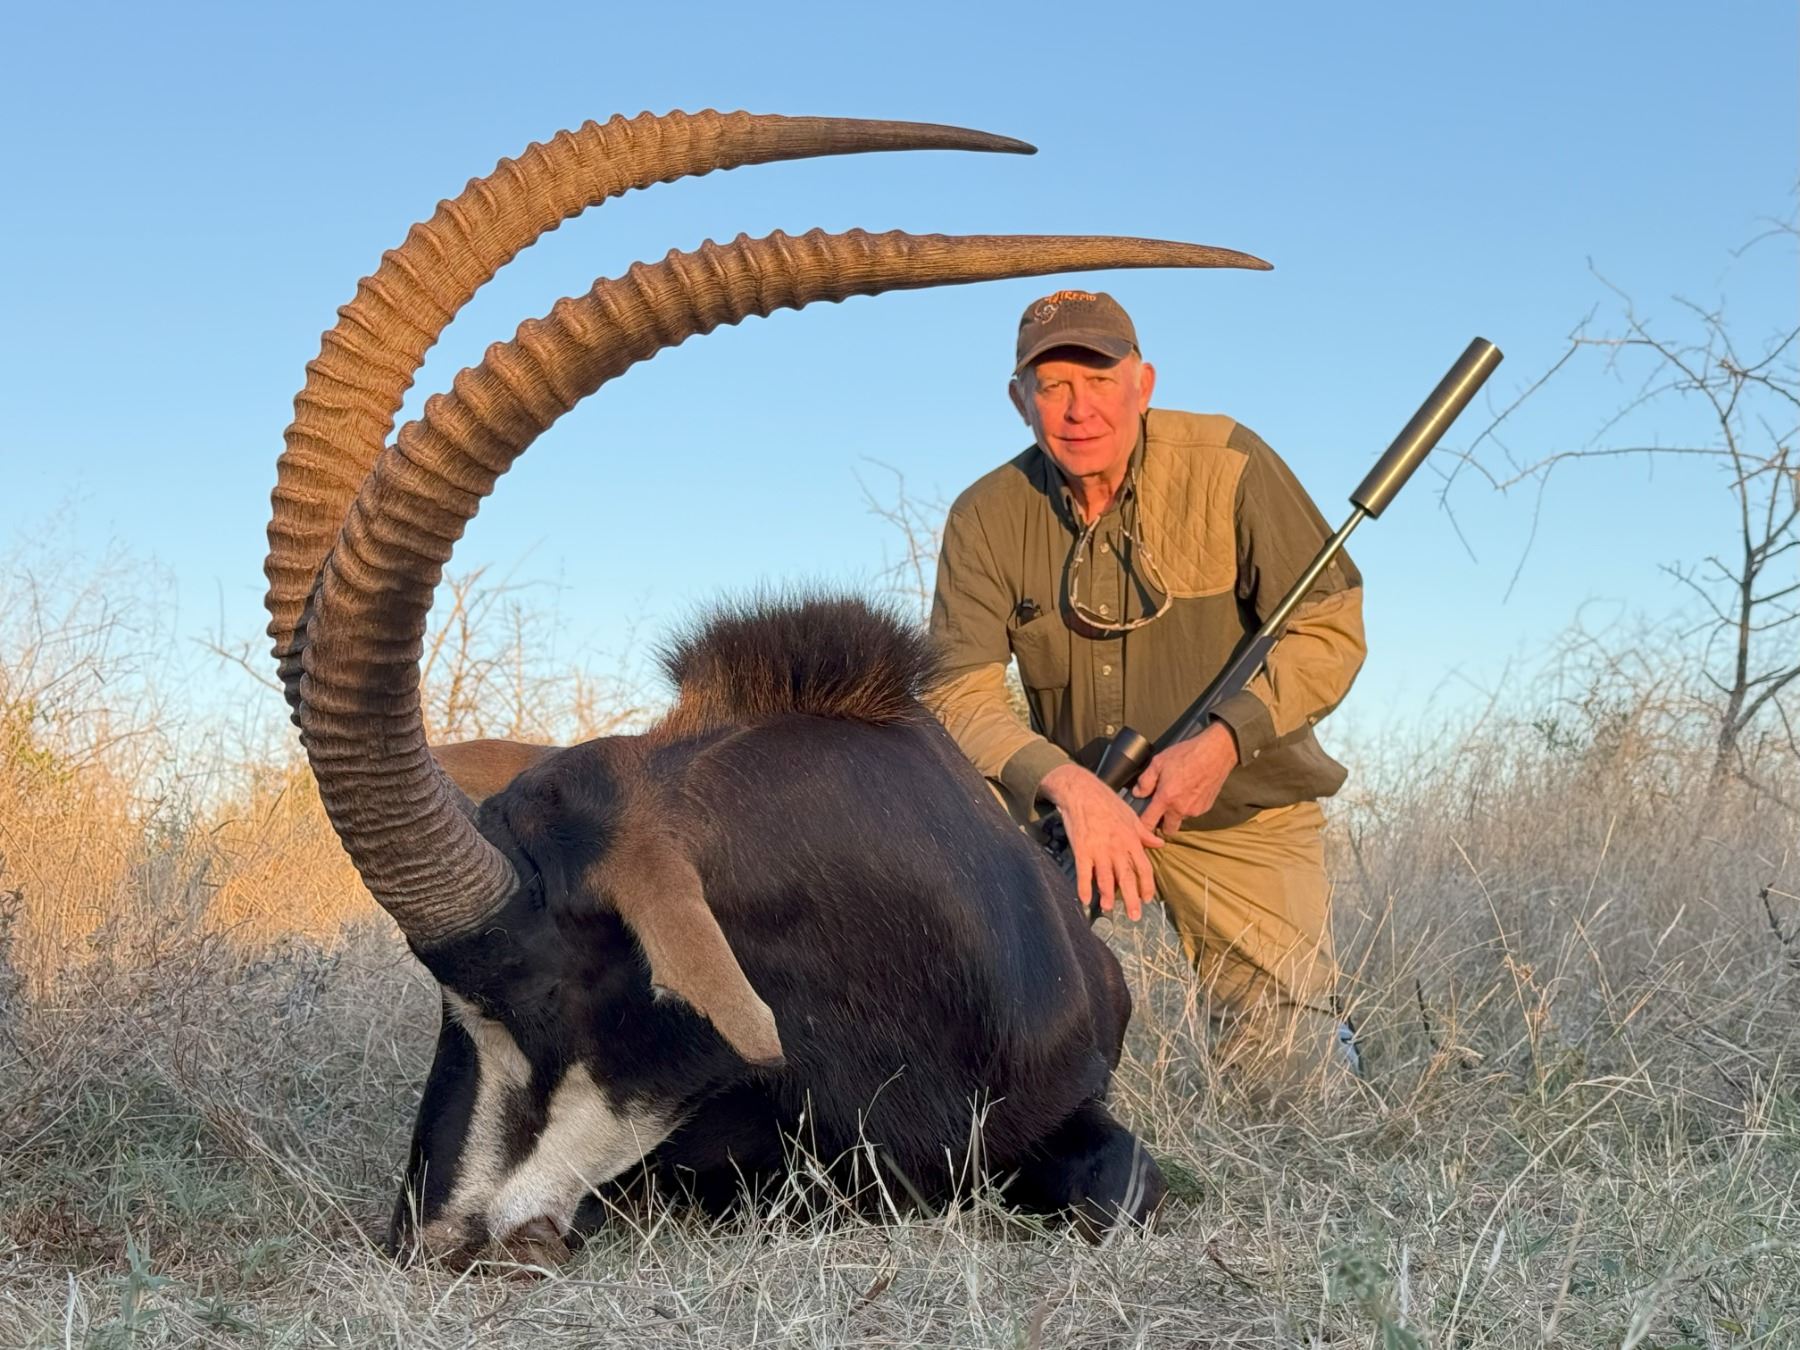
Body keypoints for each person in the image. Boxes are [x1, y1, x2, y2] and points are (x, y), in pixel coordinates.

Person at [925, 289, 1367, 1091]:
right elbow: (958, 696)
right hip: (1073, 814)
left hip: (1237, 806)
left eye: (1100, 378)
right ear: (1019, 400)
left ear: (1144, 383)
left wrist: (1223, 742)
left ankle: (1322, 1038)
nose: (1079, 408)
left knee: (1289, 1084)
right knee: (975, 1035)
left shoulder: (1230, 462)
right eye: (1053, 385)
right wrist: (1068, 787)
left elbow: (1329, 630)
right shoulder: (984, 515)